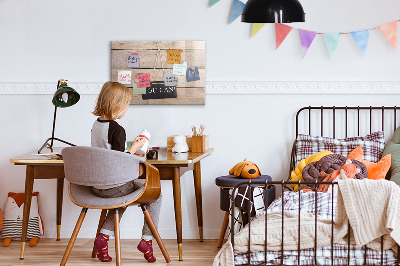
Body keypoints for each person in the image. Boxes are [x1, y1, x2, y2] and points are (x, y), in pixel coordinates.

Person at [91, 81, 161, 263]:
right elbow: (118, 161)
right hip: (114, 186)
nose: (127, 109)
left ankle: (103, 238)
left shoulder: (96, 125)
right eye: (127, 105)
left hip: (97, 186)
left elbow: (108, 154)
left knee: (121, 198)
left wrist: (130, 149)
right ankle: (147, 240)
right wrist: (135, 149)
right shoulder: (117, 129)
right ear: (118, 105)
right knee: (156, 194)